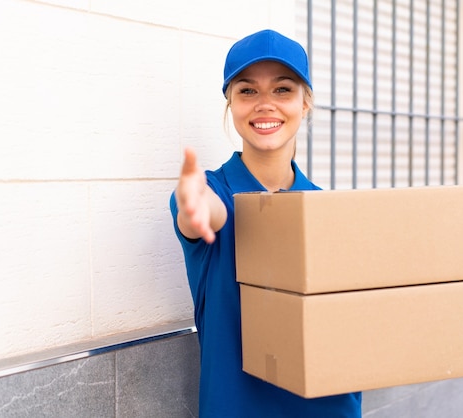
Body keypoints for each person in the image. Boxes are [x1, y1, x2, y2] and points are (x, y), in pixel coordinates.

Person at [170, 29, 362, 417]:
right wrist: (194, 208)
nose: (264, 105)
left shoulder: (328, 210)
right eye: (247, 91)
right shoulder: (215, 193)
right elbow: (209, 215)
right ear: (230, 102)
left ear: (305, 103)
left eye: (282, 90)